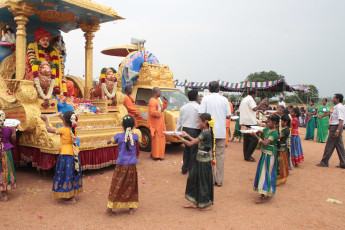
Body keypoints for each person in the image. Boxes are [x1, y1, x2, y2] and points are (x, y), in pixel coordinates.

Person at [172, 113, 214, 210]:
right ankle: (195, 202)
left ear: (205, 122)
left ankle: (205, 203)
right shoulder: (206, 132)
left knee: (202, 182)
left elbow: (191, 144)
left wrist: (179, 138)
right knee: (194, 179)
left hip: (203, 162)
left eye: (199, 121)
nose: (198, 123)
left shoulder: (205, 133)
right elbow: (196, 141)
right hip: (200, 160)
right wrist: (187, 135)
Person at [41, 111, 82, 203]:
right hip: (74, 152)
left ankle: (69, 197)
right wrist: (62, 118)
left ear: (66, 121)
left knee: (66, 173)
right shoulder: (73, 129)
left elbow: (49, 129)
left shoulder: (63, 130)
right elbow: (67, 123)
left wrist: (46, 120)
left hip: (66, 154)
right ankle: (72, 194)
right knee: (72, 173)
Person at [105, 115, 139, 215]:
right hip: (131, 165)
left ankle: (109, 209)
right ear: (133, 126)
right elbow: (135, 142)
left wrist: (111, 140)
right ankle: (131, 207)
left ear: (122, 125)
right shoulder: (136, 136)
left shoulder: (118, 136)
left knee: (117, 185)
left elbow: (108, 142)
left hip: (121, 165)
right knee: (131, 185)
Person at [199, 81, 231, 186]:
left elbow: (201, 115)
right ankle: (219, 180)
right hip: (221, 131)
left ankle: (211, 180)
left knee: (209, 154)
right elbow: (228, 116)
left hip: (209, 132)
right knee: (220, 156)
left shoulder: (205, 99)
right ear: (219, 89)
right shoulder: (224, 100)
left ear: (209, 89)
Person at [27, 27, 68, 96]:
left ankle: (61, 99)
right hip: (37, 73)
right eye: (43, 40)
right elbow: (29, 64)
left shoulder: (53, 52)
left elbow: (57, 67)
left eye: (47, 40)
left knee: (70, 85)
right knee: (41, 80)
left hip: (53, 76)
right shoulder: (33, 49)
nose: (45, 42)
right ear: (38, 41)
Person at [250, 114, 280, 204]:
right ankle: (263, 193)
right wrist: (250, 130)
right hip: (265, 154)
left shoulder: (275, 133)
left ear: (274, 123)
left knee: (266, 173)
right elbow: (259, 130)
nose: (267, 123)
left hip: (269, 155)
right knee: (262, 172)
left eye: (269, 122)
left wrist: (256, 136)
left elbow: (265, 143)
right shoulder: (268, 129)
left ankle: (265, 194)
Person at [239, 88, 268, 162]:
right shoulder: (250, 99)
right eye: (256, 93)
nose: (257, 94)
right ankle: (248, 155)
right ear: (254, 94)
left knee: (247, 140)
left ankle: (246, 155)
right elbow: (254, 109)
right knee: (254, 139)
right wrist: (261, 103)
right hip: (250, 122)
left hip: (245, 121)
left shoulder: (245, 99)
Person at [176, 90, 201, 174]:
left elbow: (179, 121)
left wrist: (177, 131)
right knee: (193, 151)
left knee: (186, 149)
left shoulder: (183, 107)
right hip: (195, 130)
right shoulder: (199, 107)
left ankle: (184, 168)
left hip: (185, 130)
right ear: (197, 97)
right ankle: (191, 170)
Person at [317, 94, 345, 168]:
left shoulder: (339, 107)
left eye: (334, 98)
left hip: (336, 128)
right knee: (339, 146)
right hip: (335, 126)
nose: (332, 99)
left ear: (338, 99)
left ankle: (324, 162)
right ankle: (343, 163)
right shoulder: (338, 107)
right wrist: (330, 124)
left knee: (329, 145)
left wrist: (337, 131)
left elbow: (341, 120)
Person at [0, 110, 17, 201]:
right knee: (5, 169)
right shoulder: (9, 129)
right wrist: (14, 131)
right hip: (5, 150)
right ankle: (4, 193)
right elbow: (13, 140)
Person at [148, 87, 168, 160]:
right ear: (156, 92)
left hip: (160, 124)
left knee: (161, 140)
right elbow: (152, 113)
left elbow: (161, 109)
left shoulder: (157, 100)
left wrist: (165, 103)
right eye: (160, 91)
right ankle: (156, 156)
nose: (160, 93)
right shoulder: (152, 101)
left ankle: (158, 155)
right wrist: (161, 111)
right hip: (156, 124)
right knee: (157, 141)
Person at [277, 114, 291, 185]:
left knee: (281, 164)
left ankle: (281, 178)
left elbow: (279, 136)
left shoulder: (286, 130)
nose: (280, 123)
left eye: (281, 121)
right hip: (280, 148)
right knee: (280, 163)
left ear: (285, 122)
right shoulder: (284, 129)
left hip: (282, 149)